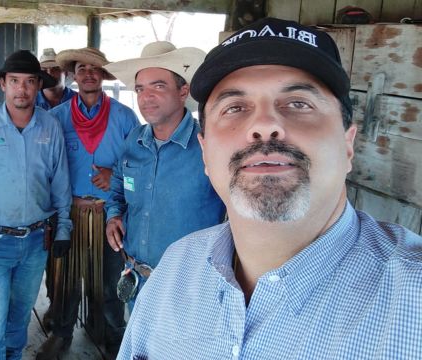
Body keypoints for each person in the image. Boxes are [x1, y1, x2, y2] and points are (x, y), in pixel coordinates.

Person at [118, 17, 422, 359]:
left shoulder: (412, 300)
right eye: (235, 108)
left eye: (298, 103)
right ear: (205, 152)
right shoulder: (176, 269)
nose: (264, 125)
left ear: (347, 145)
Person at [0, 49, 72, 360]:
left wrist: (63, 230)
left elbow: (60, 182)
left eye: (30, 81)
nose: (22, 89)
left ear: (37, 86)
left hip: (36, 241)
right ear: (3, 84)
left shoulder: (50, 127)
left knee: (20, 317)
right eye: (15, 81)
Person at [103, 41, 225, 310]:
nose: (146, 97)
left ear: (183, 91)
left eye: (158, 86)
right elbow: (118, 186)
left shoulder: (209, 146)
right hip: (137, 279)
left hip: (190, 288)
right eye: (140, 89)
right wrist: (113, 214)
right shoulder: (133, 141)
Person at [37, 47, 139, 360]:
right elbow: (46, 165)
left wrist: (115, 174)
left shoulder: (124, 116)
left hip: (110, 214)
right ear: (73, 75)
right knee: (65, 279)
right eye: (82, 68)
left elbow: (138, 162)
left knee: (111, 280)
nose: (89, 74)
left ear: (104, 75)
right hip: (71, 211)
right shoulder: (56, 118)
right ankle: (61, 334)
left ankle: (111, 335)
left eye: (95, 68)